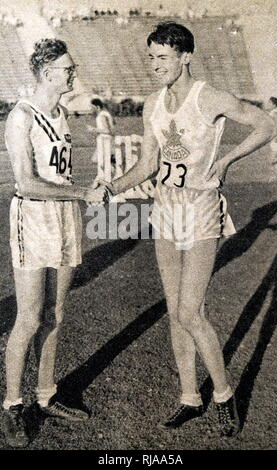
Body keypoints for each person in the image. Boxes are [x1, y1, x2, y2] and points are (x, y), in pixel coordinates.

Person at [96, 22, 277, 437]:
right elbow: (147, 165)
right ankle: (189, 397)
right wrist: (111, 188)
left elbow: (268, 125)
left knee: (190, 311)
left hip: (200, 209)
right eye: (151, 57)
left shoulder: (207, 96)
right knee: (176, 312)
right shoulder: (152, 105)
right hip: (166, 212)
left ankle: (224, 394)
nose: (154, 65)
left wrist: (228, 159)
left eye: (163, 57)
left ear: (185, 57)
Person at [3, 38, 106, 448]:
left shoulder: (62, 114)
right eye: (68, 68)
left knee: (57, 312)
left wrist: (81, 193)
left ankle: (46, 395)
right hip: (33, 217)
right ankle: (12, 404)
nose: (73, 72)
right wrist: (82, 193)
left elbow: (60, 176)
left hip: (64, 215)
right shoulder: (21, 117)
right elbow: (26, 182)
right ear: (47, 73)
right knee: (28, 317)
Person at [88, 98, 115, 164]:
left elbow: (108, 130)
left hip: (104, 139)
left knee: (97, 160)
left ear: (97, 107)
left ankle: (114, 163)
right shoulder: (106, 114)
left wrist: (93, 129)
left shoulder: (102, 115)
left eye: (92, 107)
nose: (91, 109)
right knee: (102, 161)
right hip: (107, 139)